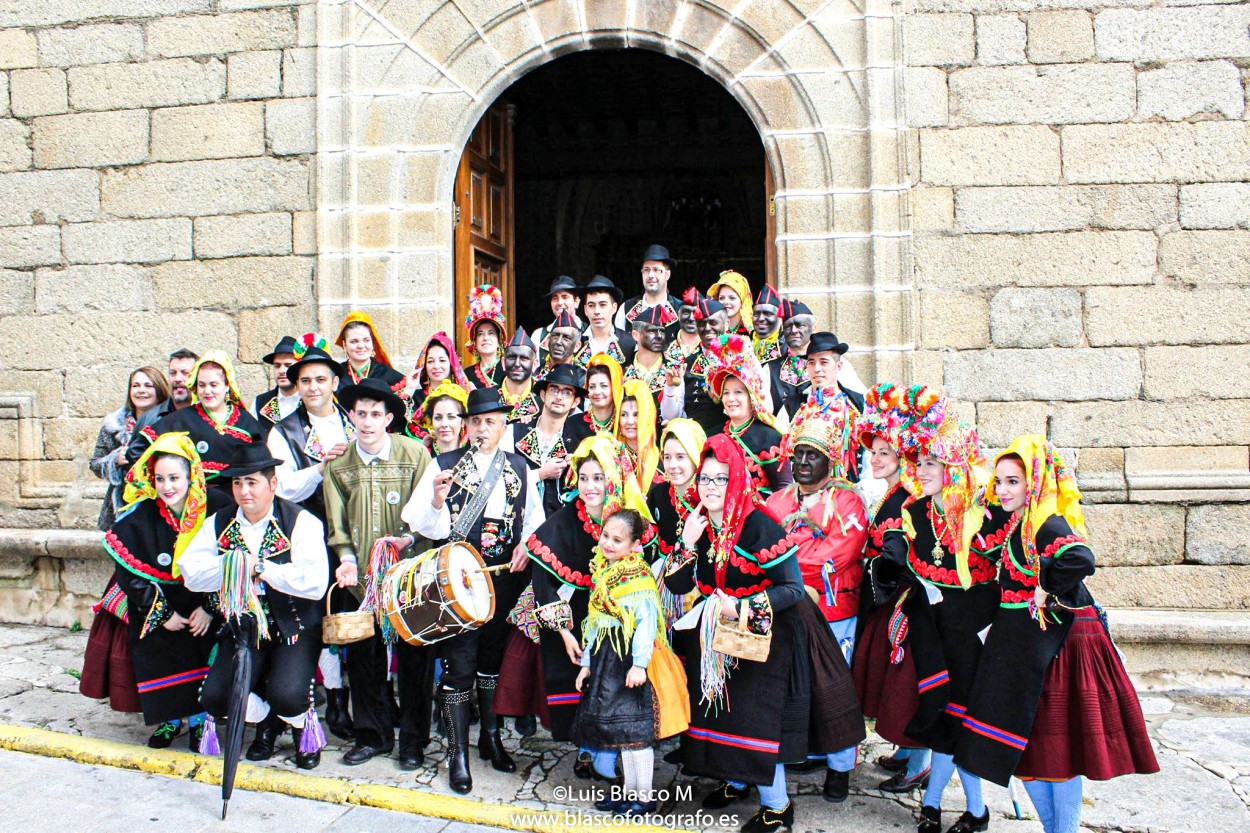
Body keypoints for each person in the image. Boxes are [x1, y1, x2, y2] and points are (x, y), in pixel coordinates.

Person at [955, 437, 1158, 832]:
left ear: (1034, 483)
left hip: (1056, 651)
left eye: (1013, 482)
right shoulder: (1017, 521)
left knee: (1055, 752)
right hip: (1022, 647)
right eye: (999, 482)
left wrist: (1045, 588)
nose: (1002, 490)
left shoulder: (1046, 522)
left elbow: (1080, 558)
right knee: (1026, 751)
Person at [402, 387, 545, 794]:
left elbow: (533, 520)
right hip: (459, 586)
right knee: (458, 666)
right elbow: (419, 523)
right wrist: (435, 498)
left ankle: (490, 738)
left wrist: (525, 545)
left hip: (504, 581)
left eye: (492, 421)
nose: (484, 428)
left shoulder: (519, 466)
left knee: (492, 662)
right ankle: (457, 754)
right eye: (477, 421)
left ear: (504, 426)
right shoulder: (443, 464)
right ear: (466, 427)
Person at [662, 435, 807, 833]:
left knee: (753, 719)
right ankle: (737, 780)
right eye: (705, 479)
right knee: (720, 711)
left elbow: (792, 590)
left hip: (763, 639)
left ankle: (778, 807)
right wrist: (685, 546)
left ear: (738, 480)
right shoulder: (699, 523)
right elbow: (676, 587)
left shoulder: (760, 525)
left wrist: (743, 607)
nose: (709, 488)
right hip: (715, 634)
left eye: (720, 480)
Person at [877, 397, 1008, 833]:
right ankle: (952, 808)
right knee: (940, 716)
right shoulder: (914, 511)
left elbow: (1009, 569)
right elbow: (909, 562)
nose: (922, 471)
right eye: (919, 462)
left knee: (961, 722)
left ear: (954, 466)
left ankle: (964, 809)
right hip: (933, 629)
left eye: (932, 462)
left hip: (973, 631)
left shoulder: (983, 515)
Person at [180, 443, 331, 771]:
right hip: (242, 625)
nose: (244, 492)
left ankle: (299, 725)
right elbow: (191, 573)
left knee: (288, 694)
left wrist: (262, 568)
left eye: (252, 482)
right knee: (216, 697)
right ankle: (267, 722)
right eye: (237, 483)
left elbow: (315, 582)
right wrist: (234, 564)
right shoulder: (219, 523)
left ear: (272, 484)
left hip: (293, 624)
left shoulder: (300, 521)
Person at [324, 377, 436, 770]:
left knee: (414, 661)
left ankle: (413, 740)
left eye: (375, 414)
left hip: (408, 577)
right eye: (360, 414)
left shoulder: (414, 453)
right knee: (363, 658)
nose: (367, 422)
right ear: (350, 417)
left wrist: (410, 541)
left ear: (389, 418)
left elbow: (429, 511)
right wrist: (346, 557)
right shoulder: (338, 465)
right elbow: (336, 520)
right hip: (361, 584)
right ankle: (372, 735)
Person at [525, 436, 650, 779]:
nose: (590, 486)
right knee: (578, 683)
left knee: (615, 687)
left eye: (599, 477)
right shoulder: (564, 521)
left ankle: (610, 752)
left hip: (619, 625)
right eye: (584, 478)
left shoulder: (630, 520)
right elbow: (542, 582)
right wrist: (564, 633)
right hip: (574, 620)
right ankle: (586, 750)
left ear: (614, 478)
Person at [766, 394, 869, 802]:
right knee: (795, 685)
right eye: (799, 454)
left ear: (831, 461)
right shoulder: (778, 501)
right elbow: (765, 549)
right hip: (790, 611)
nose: (804, 461)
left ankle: (840, 769)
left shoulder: (847, 502)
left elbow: (840, 553)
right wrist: (790, 572)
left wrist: (791, 570)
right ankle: (805, 749)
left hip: (832, 610)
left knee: (834, 689)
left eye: (814, 455)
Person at [102, 433, 221, 751]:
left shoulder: (215, 511)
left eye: (175, 478)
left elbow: (230, 565)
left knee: (201, 656)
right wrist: (162, 614)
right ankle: (169, 720)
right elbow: (128, 575)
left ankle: (200, 720)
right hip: (157, 607)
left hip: (200, 603)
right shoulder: (137, 517)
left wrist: (209, 607)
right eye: (160, 478)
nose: (168, 486)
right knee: (161, 658)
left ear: (191, 475)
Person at [573, 508, 686, 818]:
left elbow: (647, 624)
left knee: (636, 733)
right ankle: (629, 793)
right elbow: (594, 622)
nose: (608, 543)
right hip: (607, 659)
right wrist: (586, 663)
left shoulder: (637, 578)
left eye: (617, 540)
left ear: (636, 545)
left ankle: (644, 797)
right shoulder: (605, 573)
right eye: (605, 536)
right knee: (622, 733)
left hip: (631, 663)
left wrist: (639, 664)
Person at [852, 384, 934, 794]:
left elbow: (898, 555)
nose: (876, 458)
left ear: (902, 458)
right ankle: (905, 749)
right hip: (890, 601)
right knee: (889, 677)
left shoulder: (904, 500)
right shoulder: (893, 495)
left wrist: (873, 562)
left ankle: (920, 762)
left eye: (886, 452)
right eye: (874, 451)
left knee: (907, 682)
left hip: (904, 604)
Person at [126, 351, 265, 496]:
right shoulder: (181, 419)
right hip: (193, 505)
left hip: (235, 504)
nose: (207, 391)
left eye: (214, 385)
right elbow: (136, 451)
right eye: (202, 385)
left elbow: (265, 465)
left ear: (227, 385)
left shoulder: (246, 422)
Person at [266, 336, 353, 524]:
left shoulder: (355, 423)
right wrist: (320, 470)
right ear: (297, 386)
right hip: (310, 529)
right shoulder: (283, 433)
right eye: (305, 381)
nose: (313, 387)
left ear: (335, 383)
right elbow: (281, 488)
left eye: (320, 379)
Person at [501, 363, 592, 518]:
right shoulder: (514, 431)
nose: (559, 397)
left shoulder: (580, 443)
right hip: (515, 526)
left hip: (559, 531)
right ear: (543, 395)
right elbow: (499, 480)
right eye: (554, 390)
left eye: (567, 393)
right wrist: (540, 474)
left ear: (575, 402)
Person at [706, 334, 791, 498]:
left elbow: (784, 491)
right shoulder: (714, 436)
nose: (731, 399)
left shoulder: (771, 438)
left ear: (751, 396)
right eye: (726, 393)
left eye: (738, 392)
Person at [90, 366, 170, 531]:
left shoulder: (172, 421)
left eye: (148, 386)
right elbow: (95, 464)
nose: (141, 390)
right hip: (122, 506)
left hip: (163, 503)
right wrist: (115, 459)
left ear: (160, 389)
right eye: (136, 385)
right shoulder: (114, 424)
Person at [658, 293, 731, 435]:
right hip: (697, 441)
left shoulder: (742, 356)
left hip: (736, 439)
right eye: (702, 323)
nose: (707, 328)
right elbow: (670, 417)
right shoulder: (687, 362)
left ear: (726, 324)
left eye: (713, 323)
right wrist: (671, 387)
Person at [405, 331, 469, 442]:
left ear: (451, 363)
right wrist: (409, 389)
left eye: (442, 360)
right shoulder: (415, 398)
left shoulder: (463, 397)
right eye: (430, 361)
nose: (436, 366)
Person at [336, 312, 407, 394]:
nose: (361, 346)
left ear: (373, 343)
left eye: (366, 340)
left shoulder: (389, 375)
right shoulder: (337, 374)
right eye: (354, 341)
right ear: (344, 345)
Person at [615, 244, 681, 330]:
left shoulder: (681, 309)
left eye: (656, 270)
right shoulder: (626, 308)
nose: (650, 275)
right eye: (646, 270)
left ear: (667, 275)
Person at [575, 275, 635, 368]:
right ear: (585, 310)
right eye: (591, 305)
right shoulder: (577, 342)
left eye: (603, 305)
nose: (597, 311)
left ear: (614, 308)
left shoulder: (629, 343)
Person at [769, 300, 814, 417]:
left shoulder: (830, 364)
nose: (793, 330)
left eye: (800, 325)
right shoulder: (768, 369)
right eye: (788, 326)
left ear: (813, 328)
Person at [618, 379, 660, 494]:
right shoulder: (613, 455)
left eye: (637, 415)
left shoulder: (662, 458)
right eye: (624, 415)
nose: (630, 421)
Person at [464, 284, 507, 390]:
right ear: (474, 342)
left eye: (491, 333)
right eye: (480, 334)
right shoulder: (467, 375)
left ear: (498, 341)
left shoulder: (509, 368)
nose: (485, 338)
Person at [623, 306, 670, 400]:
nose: (659, 336)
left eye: (662, 331)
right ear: (636, 335)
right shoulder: (621, 370)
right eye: (652, 331)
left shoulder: (673, 369)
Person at [254, 335, 300, 429]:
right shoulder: (260, 402)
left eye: (288, 365)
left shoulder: (309, 401)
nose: (282, 370)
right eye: (277, 365)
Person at [413, 380, 468, 455]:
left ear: (463, 421)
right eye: (438, 418)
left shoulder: (476, 455)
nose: (444, 424)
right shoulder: (421, 455)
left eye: (451, 417)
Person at [500, 328, 541, 424]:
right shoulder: (490, 397)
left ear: (535, 364)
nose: (517, 364)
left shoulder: (543, 400)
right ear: (503, 362)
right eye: (512, 357)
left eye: (524, 358)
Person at [533, 276, 583, 349]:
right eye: (555, 298)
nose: (559, 302)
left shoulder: (590, 332)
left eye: (565, 297)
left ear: (576, 301)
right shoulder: (539, 335)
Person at [582, 354, 624, 435]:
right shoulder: (573, 424)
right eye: (592, 386)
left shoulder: (624, 425)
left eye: (604, 386)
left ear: (615, 388)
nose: (597, 392)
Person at [663, 287, 703, 367]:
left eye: (696, 313)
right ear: (678, 314)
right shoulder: (663, 344)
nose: (691, 318)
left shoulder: (712, 346)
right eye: (686, 312)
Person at [537, 310, 583, 378]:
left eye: (566, 338)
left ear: (577, 346)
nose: (558, 342)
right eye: (555, 336)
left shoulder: (584, 378)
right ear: (548, 340)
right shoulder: (535, 376)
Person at [708, 269, 754, 336]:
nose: (726, 302)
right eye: (721, 298)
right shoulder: (710, 330)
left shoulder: (752, 333)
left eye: (732, 298)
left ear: (742, 301)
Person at [156, 348, 199, 417]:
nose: (177, 379)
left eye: (185, 373)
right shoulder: (149, 419)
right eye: (173, 373)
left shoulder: (211, 418)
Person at [752, 284, 785, 365]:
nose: (761, 319)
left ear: (779, 317)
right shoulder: (745, 343)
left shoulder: (787, 346)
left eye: (768, 314)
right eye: (756, 314)